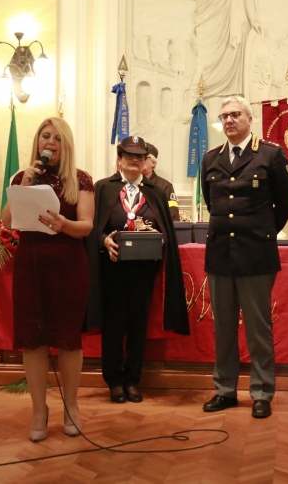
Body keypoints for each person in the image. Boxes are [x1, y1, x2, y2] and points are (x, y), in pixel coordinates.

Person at [200, 95, 288, 419]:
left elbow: (285, 203)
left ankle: (262, 392)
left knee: (258, 328)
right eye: (224, 116)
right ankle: (225, 390)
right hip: (220, 255)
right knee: (223, 327)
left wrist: (262, 231)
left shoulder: (270, 155)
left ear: (249, 119)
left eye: (235, 114)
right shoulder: (210, 158)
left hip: (256, 253)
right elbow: (212, 203)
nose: (229, 120)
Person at [1, 117, 94, 443]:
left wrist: (63, 225)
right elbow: (6, 221)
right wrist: (23, 186)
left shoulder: (80, 179)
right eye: (45, 137)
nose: (50, 143)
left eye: (56, 138)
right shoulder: (21, 177)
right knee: (34, 340)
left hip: (68, 266)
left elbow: (86, 226)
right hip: (31, 266)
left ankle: (72, 407)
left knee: (69, 340)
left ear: (64, 144)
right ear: (38, 143)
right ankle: (39, 410)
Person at [86, 136, 188, 404]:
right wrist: (103, 239)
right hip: (112, 269)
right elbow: (92, 227)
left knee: (138, 326)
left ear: (146, 162)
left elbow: (166, 227)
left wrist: (159, 239)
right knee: (114, 326)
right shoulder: (103, 188)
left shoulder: (156, 192)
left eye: (139, 157)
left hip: (144, 271)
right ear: (118, 159)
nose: (134, 160)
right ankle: (114, 381)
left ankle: (132, 380)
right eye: (128, 155)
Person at [141, 142, 180, 220]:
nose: (139, 160)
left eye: (144, 157)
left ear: (153, 163)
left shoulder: (165, 186)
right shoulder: (129, 184)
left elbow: (173, 217)